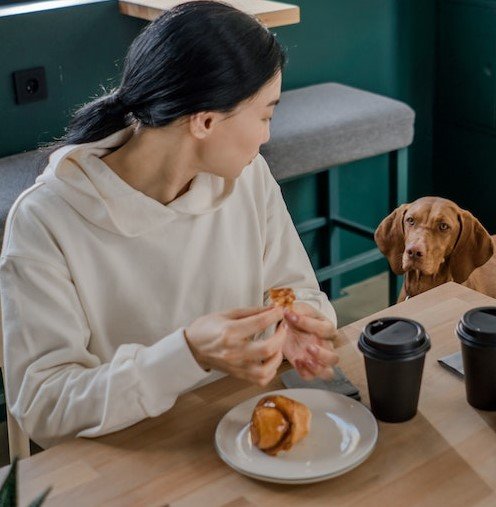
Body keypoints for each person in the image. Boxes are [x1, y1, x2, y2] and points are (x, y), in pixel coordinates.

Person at [0, 1, 338, 449]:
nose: (266, 136)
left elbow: (295, 288)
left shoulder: (247, 177)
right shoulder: (46, 220)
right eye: (266, 115)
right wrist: (186, 353)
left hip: (235, 429)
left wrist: (297, 324)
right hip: (126, 458)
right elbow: (45, 406)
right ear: (205, 121)